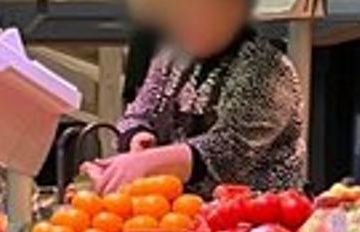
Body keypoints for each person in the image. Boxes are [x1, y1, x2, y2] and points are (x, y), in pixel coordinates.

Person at [87, 0, 303, 195]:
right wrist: (138, 136)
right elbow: (139, 112)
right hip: (178, 211)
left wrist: (147, 163)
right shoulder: (172, 56)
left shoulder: (266, 69)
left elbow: (228, 152)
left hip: (258, 213)